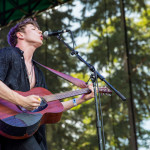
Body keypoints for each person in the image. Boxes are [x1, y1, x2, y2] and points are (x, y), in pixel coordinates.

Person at [0, 18, 94, 150]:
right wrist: (22, 101)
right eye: (34, 29)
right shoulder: (8, 54)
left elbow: (49, 108)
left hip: (26, 133)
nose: (40, 31)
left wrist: (79, 100)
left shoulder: (38, 73)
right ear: (20, 35)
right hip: (6, 129)